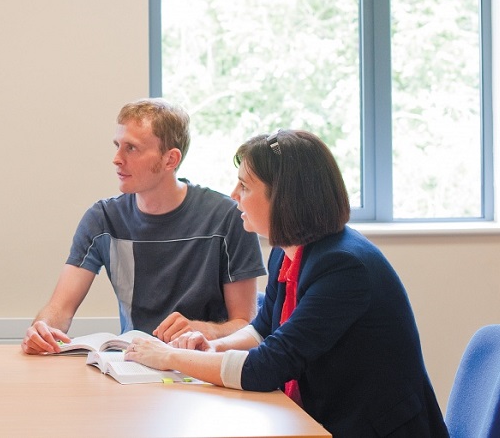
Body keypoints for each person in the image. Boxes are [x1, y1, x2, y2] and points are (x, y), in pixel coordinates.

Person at [125, 130, 448, 437]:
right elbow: (264, 329)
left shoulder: (345, 268)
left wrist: (169, 357)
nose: (234, 196)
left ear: (285, 198)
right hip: (319, 420)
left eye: (245, 187)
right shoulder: (288, 252)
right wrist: (213, 348)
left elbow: (267, 367)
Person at [22, 99, 266, 355]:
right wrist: (43, 328)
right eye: (117, 146)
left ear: (170, 159)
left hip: (204, 368)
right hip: (132, 365)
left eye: (132, 149)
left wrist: (203, 329)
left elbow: (246, 325)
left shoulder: (228, 217)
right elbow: (60, 308)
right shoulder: (102, 219)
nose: (117, 159)